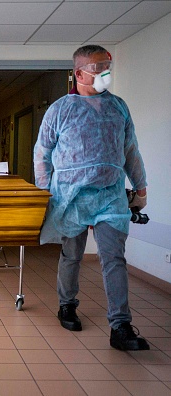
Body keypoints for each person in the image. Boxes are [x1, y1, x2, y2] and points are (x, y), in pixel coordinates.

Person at [33, 45, 149, 351]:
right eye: (98, 68)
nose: (104, 74)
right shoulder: (59, 110)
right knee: (72, 256)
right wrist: (44, 194)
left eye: (107, 66)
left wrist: (141, 188)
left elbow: (130, 150)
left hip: (111, 197)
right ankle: (67, 305)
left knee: (113, 258)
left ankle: (121, 327)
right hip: (71, 197)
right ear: (79, 73)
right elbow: (42, 155)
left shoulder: (118, 107)